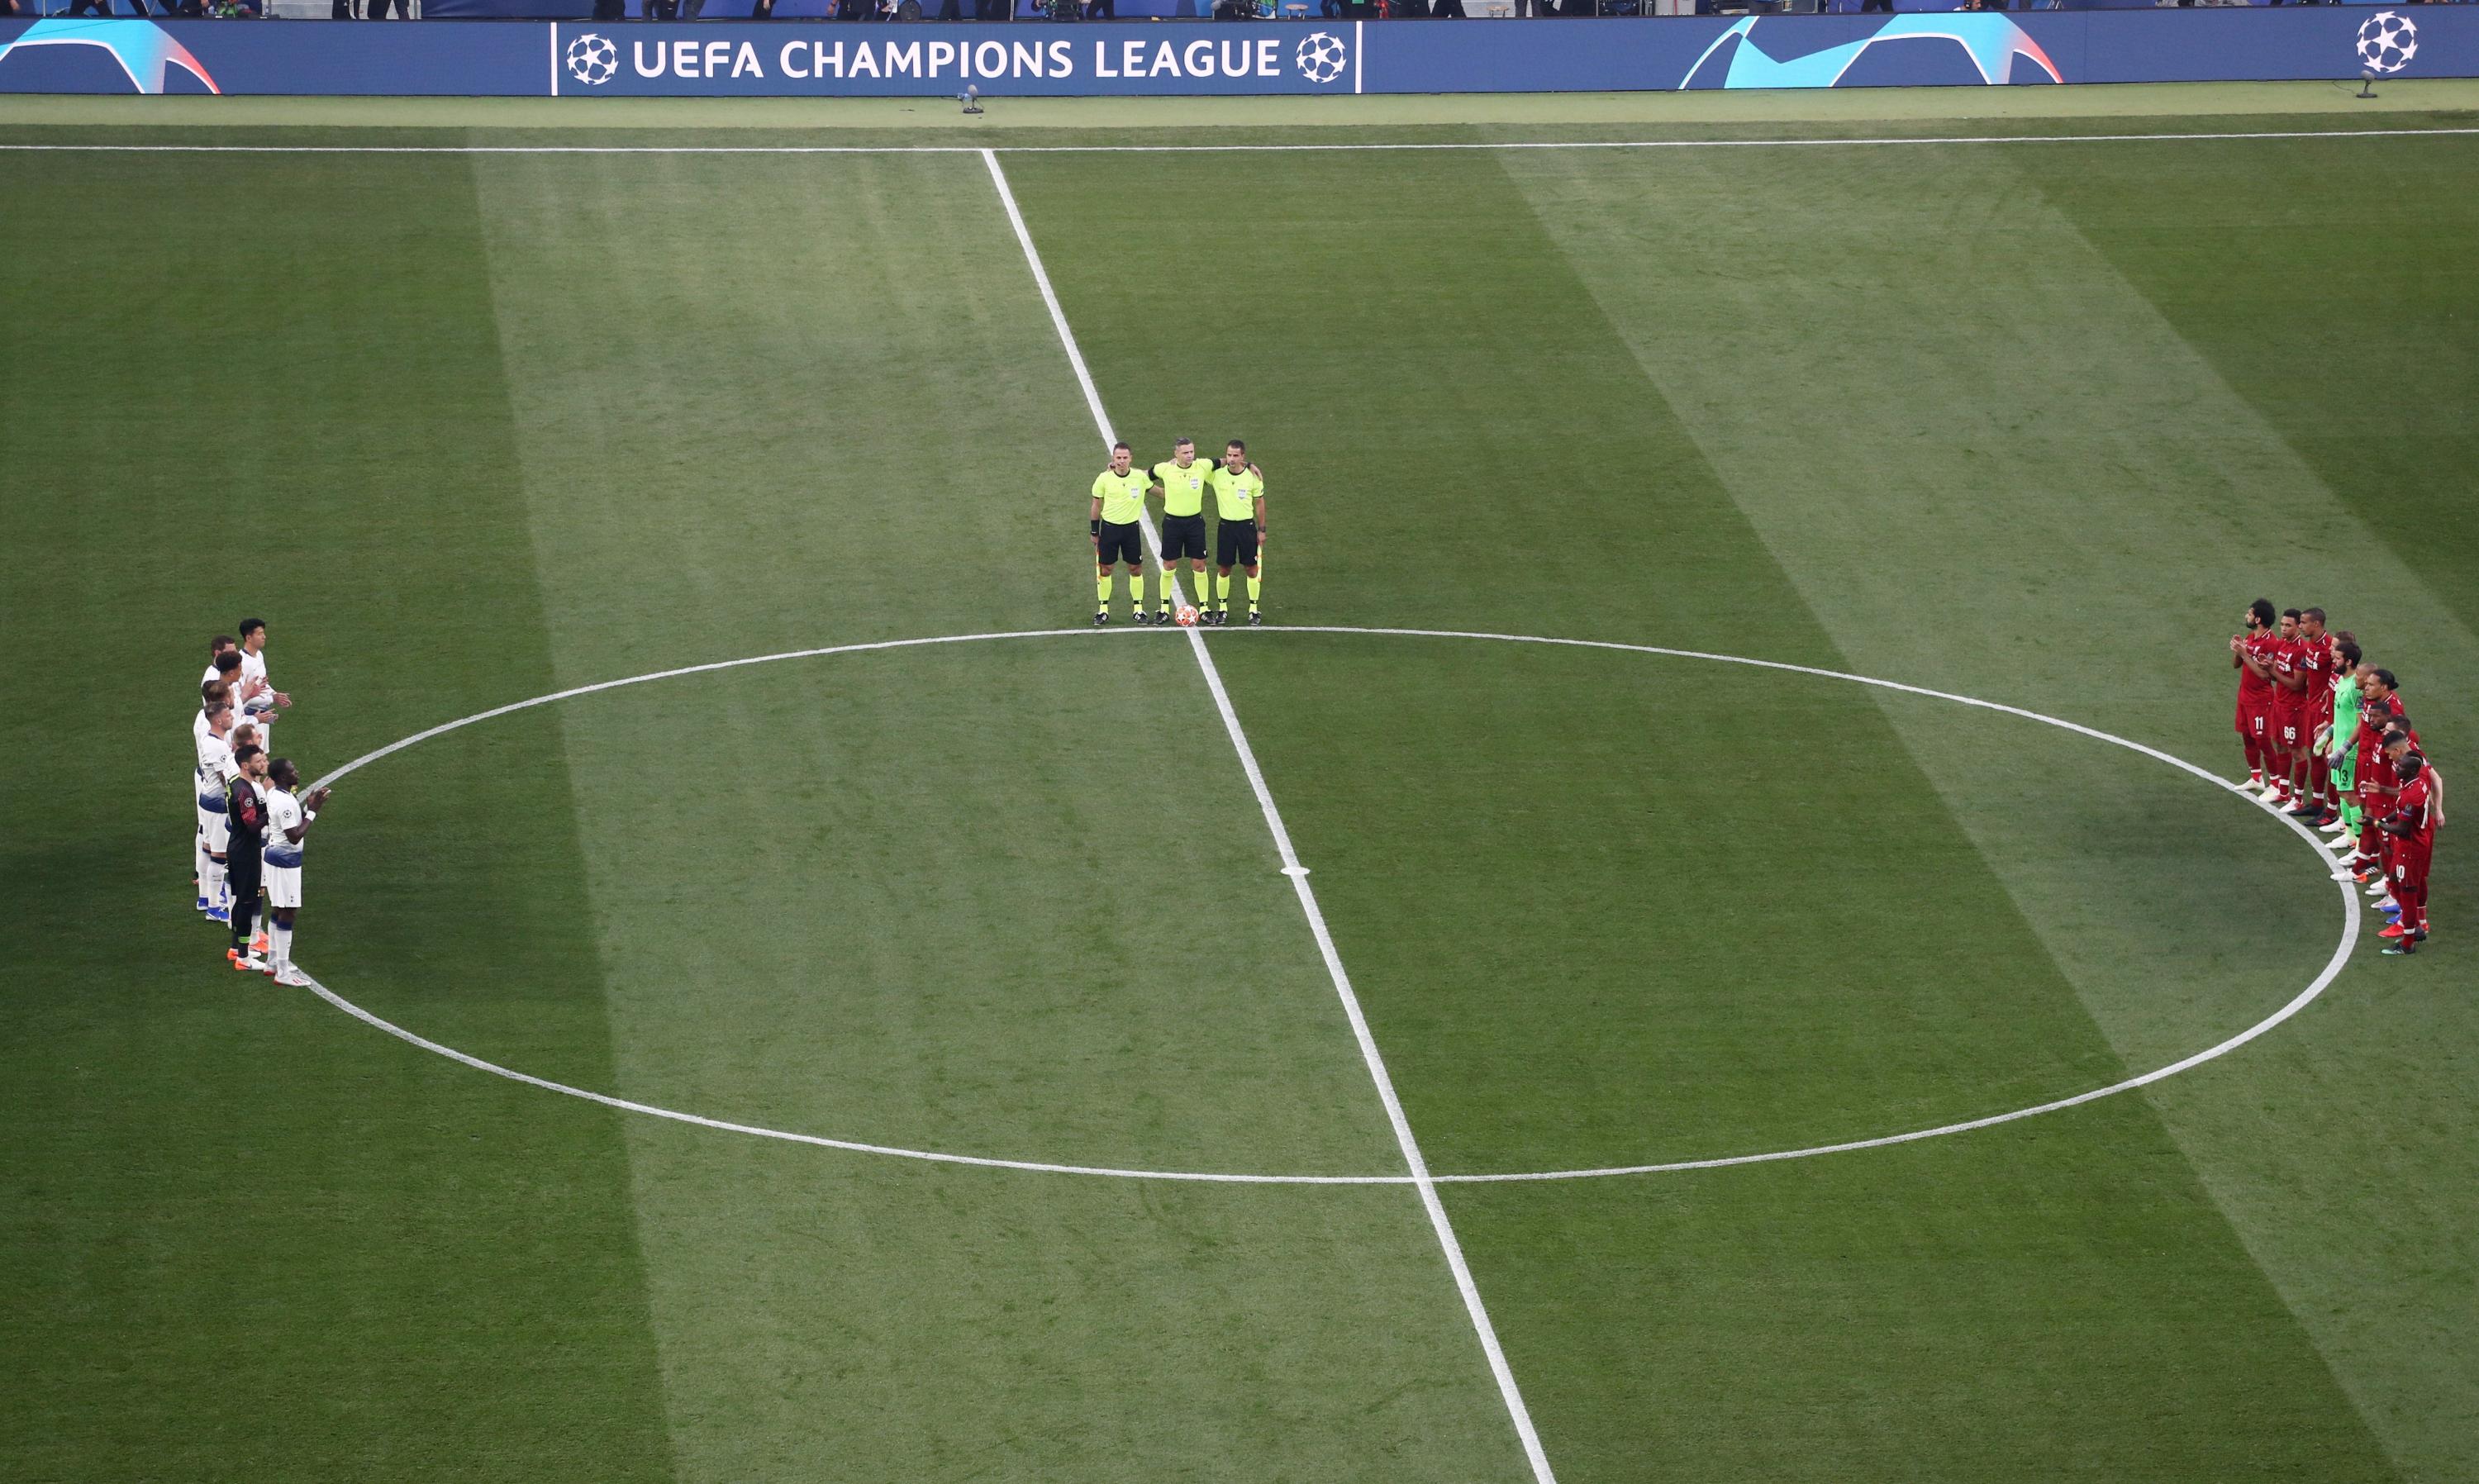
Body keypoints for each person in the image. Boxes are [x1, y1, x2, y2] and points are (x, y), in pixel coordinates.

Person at [258, 759, 333, 989]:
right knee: (288, 911)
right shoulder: (284, 802)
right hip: (285, 862)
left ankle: (272, 961)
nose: (296, 771)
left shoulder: (276, 793)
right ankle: (282, 971)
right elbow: (295, 835)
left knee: (279, 908)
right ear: (282, 777)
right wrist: (313, 812)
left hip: (274, 857)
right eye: (292, 771)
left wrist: (306, 806)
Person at [2376, 744, 2437, 955]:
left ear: (2411, 770)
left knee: (2408, 891)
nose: (2396, 767)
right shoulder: (2414, 783)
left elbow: (2402, 828)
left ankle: (2408, 942)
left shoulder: (2412, 795)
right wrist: (2382, 819)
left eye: (2400, 766)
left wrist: (2377, 825)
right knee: (2393, 881)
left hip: (2410, 847)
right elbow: (2399, 810)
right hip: (2412, 844)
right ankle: (2417, 925)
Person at [1149, 439, 1216, 624]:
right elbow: (1142, 476)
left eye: (1191, 452)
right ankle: (1163, 608)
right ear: (1176, 454)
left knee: (1199, 565)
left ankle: (1204, 608)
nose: (1190, 456)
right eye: (1185, 453)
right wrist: (1160, 492)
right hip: (1172, 523)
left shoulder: (1203, 466)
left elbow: (1226, 461)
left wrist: (1249, 465)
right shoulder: (1165, 468)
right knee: (1169, 565)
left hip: (1195, 523)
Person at [1090, 441, 1154, 626]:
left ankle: (1138, 609)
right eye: (1118, 458)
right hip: (1109, 530)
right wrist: (1094, 530)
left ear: (1131, 459)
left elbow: (1155, 490)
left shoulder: (1139, 477)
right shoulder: (1103, 479)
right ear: (1113, 458)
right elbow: (1096, 505)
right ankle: (1103, 610)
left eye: (1125, 457)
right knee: (1105, 569)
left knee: (1135, 569)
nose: (1121, 461)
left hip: (1131, 530)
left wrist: (1177, 494)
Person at [1204, 439, 1267, 626]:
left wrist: (1262, 530)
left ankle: (1254, 609)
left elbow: (1260, 503)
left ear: (1243, 457)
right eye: (1229, 455)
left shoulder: (1252, 477)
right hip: (1226, 528)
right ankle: (1222, 608)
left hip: (1246, 528)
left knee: (1251, 568)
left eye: (1235, 455)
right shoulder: (1216, 475)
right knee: (1224, 569)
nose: (1231, 459)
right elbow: (1196, 469)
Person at [2286, 606, 2339, 827]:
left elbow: (2342, 673)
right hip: (2311, 707)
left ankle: (2332, 811)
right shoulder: (2311, 647)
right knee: (2315, 755)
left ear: (2316, 624)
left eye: (2304, 622)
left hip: (2325, 712)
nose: (2300, 626)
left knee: (2329, 760)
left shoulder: (2331, 647)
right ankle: (2317, 803)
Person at [225, 744, 274, 973]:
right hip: (246, 851)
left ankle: (236, 947)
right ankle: (243, 957)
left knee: (242, 900)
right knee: (246, 903)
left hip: (238, 847)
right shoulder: (244, 791)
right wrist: (270, 812)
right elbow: (253, 826)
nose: (262, 764)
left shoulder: (238, 782)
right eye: (258, 761)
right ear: (246, 765)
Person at [2318, 638, 2363, 867]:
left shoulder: (2356, 686)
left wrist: (2345, 748)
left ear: (2348, 660)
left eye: (2336, 658)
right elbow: (2342, 718)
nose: (2333, 661)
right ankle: (2349, 834)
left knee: (2350, 795)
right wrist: (2329, 733)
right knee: (2342, 791)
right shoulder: (2343, 682)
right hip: (2339, 748)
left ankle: (2360, 845)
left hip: (2349, 751)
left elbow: (2360, 723)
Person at [195, 698, 239, 925]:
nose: (232, 717)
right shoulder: (217, 746)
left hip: (209, 803)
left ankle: (206, 899)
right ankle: (214, 907)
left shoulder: (214, 741)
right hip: (218, 805)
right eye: (229, 715)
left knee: (209, 848)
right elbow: (226, 779)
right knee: (219, 855)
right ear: (219, 720)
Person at [2229, 598, 2279, 793]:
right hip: (2245, 697)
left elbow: (2265, 674)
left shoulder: (2271, 643)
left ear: (2258, 619)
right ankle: (2256, 777)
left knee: (2263, 740)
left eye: (2249, 614)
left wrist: (2244, 654)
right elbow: (2236, 665)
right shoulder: (2251, 638)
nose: (2246, 616)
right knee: (2247, 737)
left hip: (2260, 700)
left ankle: (2275, 784)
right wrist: (2238, 649)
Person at [2266, 607, 2308, 808]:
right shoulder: (2282, 644)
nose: (2283, 629)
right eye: (2282, 625)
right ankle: (2283, 791)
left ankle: (2298, 799)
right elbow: (2278, 676)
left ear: (2299, 626)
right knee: (2280, 744)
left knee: (2297, 751)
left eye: (2288, 625)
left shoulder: (2302, 650)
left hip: (2295, 708)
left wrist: (2272, 670)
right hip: (2279, 703)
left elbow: (2297, 685)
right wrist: (2268, 667)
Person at [236, 618, 291, 749]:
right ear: (249, 638)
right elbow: (242, 698)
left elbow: (263, 685)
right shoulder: (243, 663)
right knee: (252, 759)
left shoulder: (259, 655)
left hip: (263, 716)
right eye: (260, 634)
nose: (264, 637)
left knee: (261, 758)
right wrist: (272, 699)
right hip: (250, 718)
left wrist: (276, 695)